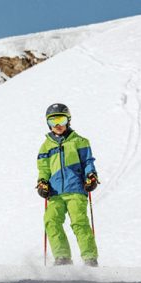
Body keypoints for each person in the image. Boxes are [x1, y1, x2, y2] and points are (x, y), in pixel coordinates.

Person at [35, 103, 99, 266]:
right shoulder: (45, 147)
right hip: (55, 192)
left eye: (61, 120)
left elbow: (88, 161)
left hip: (76, 189)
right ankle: (62, 257)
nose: (57, 126)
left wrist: (90, 175)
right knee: (51, 220)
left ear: (68, 121)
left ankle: (89, 258)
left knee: (79, 222)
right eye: (52, 122)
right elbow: (43, 169)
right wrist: (42, 182)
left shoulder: (79, 141)